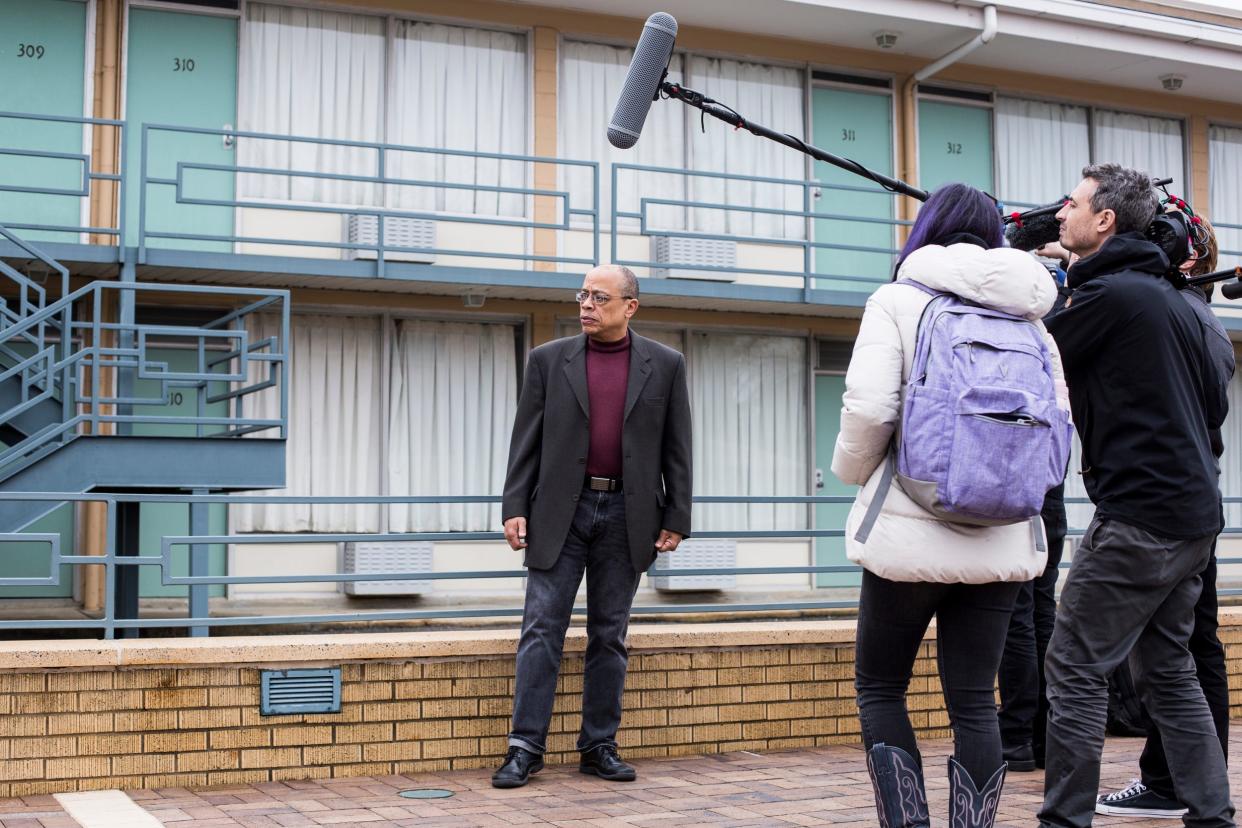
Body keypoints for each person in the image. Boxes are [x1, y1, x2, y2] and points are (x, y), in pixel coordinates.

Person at [833, 182, 1069, 828]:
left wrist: (854, 474)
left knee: (881, 686)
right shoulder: (1030, 317)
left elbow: (870, 407)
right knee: (973, 700)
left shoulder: (898, 299)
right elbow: (1060, 430)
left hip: (909, 531)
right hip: (1001, 536)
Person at [1038, 165, 1235, 828]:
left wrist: (1048, 282)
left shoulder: (1113, 296)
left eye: (1072, 203)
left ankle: (1062, 820)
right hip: (1195, 517)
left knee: (1073, 666)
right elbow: (1213, 410)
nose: (1059, 212)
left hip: (1139, 517)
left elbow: (1038, 358)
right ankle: (1211, 814)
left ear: (1106, 222)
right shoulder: (1181, 306)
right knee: (1170, 671)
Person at [491, 264, 692, 789]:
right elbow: (524, 442)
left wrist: (677, 516)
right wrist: (515, 504)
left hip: (629, 514)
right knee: (541, 629)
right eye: (582, 295)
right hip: (560, 512)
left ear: (630, 306)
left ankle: (599, 746)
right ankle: (524, 748)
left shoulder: (665, 365)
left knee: (610, 635)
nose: (586, 305)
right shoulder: (547, 361)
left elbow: (678, 446)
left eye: (599, 297)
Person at [1096, 215, 1234, 819]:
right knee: (1188, 650)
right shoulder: (1200, 320)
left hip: (1166, 504)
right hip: (1196, 501)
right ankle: (1187, 785)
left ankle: (1173, 784)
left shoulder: (1169, 316)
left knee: (1180, 655)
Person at [998, 240, 1073, 774]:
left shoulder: (1014, 336)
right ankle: (1047, 735)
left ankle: (1016, 734)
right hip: (1053, 482)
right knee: (1043, 608)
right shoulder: (1055, 335)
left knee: (1017, 613)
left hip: (1019, 481)